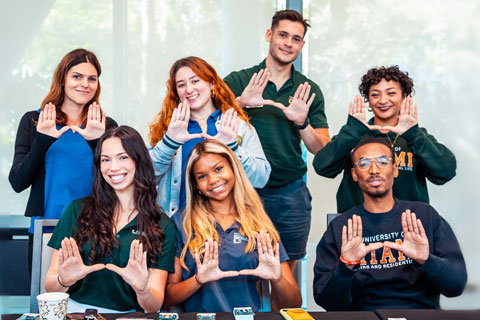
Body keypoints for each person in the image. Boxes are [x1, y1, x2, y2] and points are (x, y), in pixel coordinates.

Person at [224, 10, 330, 267]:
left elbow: (322, 148)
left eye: (296, 39)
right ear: (269, 35)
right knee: (246, 270)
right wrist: (241, 104)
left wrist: (302, 122)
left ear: (302, 45)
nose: (288, 43)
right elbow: (209, 126)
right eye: (283, 35)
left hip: (290, 193)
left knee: (284, 274)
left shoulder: (308, 90)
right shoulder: (239, 80)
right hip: (243, 191)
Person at [313, 137, 467, 311]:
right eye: (363, 164)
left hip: (419, 315)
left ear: (394, 169)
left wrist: (426, 260)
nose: (374, 170)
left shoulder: (424, 217)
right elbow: (327, 302)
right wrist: (346, 265)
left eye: (383, 162)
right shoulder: (341, 227)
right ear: (355, 174)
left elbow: (456, 286)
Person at [44, 126, 176, 313]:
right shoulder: (77, 210)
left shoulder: (163, 225)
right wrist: (64, 280)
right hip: (74, 312)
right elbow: (50, 285)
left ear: (139, 160)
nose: (113, 168)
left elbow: (153, 305)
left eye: (123, 157)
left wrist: (142, 289)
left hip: (129, 316)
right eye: (105, 160)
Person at [8, 49, 117, 265]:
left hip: (96, 229)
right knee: (48, 297)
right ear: (62, 80)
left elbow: (117, 180)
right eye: (77, 76)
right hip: (46, 229)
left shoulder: (106, 125)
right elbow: (18, 182)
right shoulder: (33, 121)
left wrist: (96, 141)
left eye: (92, 79)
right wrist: (43, 139)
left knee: (92, 298)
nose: (85, 84)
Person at [164, 140, 301, 312]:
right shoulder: (181, 222)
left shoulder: (259, 223)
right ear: (196, 186)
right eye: (202, 176)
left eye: (218, 169)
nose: (213, 180)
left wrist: (277, 279)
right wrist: (198, 280)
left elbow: (294, 304)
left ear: (233, 168)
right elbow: (168, 298)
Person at [313, 66, 456, 213]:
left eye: (391, 93)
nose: (383, 100)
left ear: (404, 96)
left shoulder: (417, 137)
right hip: (359, 227)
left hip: (409, 228)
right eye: (375, 95)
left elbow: (446, 172)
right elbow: (322, 167)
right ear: (368, 99)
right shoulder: (354, 135)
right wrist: (352, 132)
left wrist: (413, 135)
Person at [149, 56, 270, 217]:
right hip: (177, 227)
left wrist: (233, 147)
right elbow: (145, 178)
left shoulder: (237, 126)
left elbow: (260, 178)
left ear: (211, 83)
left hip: (229, 226)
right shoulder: (168, 129)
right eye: (181, 85)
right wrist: (169, 142)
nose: (189, 89)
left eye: (195, 81)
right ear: (176, 93)